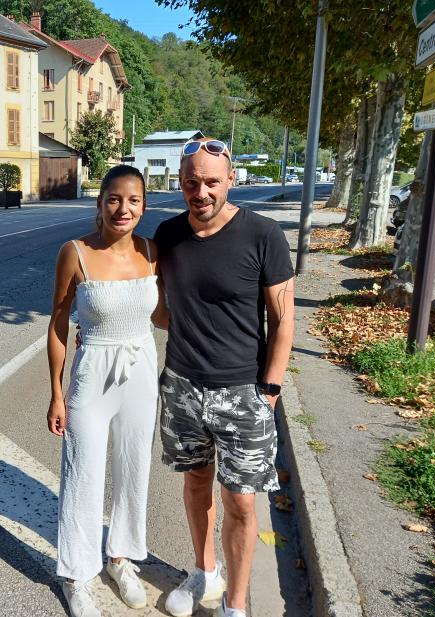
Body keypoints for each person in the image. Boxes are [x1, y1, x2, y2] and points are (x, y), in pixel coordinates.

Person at [153, 137, 295, 617]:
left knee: (241, 503)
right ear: (180, 180)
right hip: (182, 387)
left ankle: (236, 605)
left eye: (212, 182)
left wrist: (270, 388)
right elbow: (159, 310)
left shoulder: (263, 235)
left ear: (231, 181)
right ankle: (203, 572)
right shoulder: (167, 235)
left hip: (244, 392)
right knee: (196, 482)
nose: (201, 192)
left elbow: (283, 318)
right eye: (192, 182)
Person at [47, 165, 163, 617]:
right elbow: (58, 323)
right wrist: (56, 392)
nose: (123, 208)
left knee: (134, 467)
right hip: (93, 370)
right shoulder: (74, 253)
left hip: (140, 371)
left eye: (133, 200)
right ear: (100, 203)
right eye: (114, 198)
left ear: (143, 206)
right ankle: (77, 574)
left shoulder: (153, 252)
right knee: (83, 474)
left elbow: (165, 315)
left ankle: (121, 558)